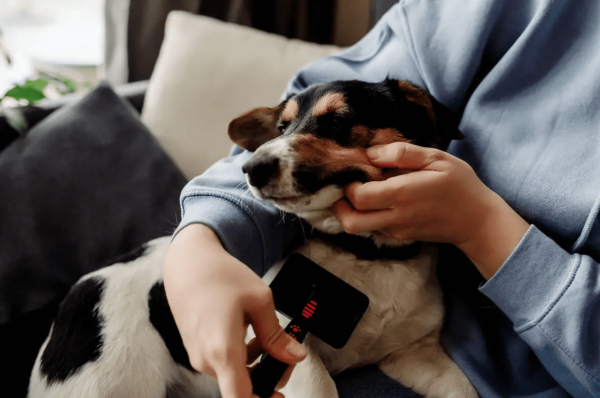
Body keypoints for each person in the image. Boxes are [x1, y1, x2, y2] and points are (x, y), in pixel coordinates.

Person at [163, 1, 600, 397]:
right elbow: (317, 92)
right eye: (284, 129)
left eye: (337, 124)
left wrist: (481, 225)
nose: (265, 155)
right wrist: (200, 243)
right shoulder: (482, 12)